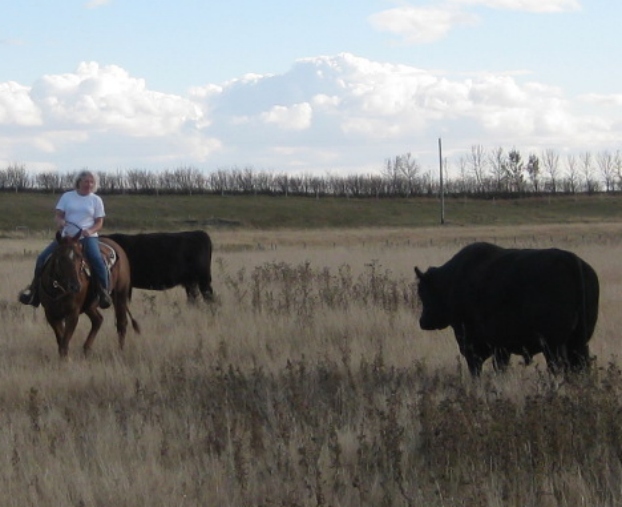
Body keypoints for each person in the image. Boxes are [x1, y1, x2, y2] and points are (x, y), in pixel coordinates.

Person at [19, 170, 113, 309]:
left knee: (97, 260)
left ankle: (104, 293)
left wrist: (90, 230)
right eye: (86, 181)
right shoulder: (67, 196)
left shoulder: (96, 200)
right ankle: (34, 291)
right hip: (67, 238)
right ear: (79, 182)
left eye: (92, 182)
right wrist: (61, 221)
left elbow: (99, 222)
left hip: (87, 237)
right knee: (42, 258)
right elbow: (58, 215)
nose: (89, 184)